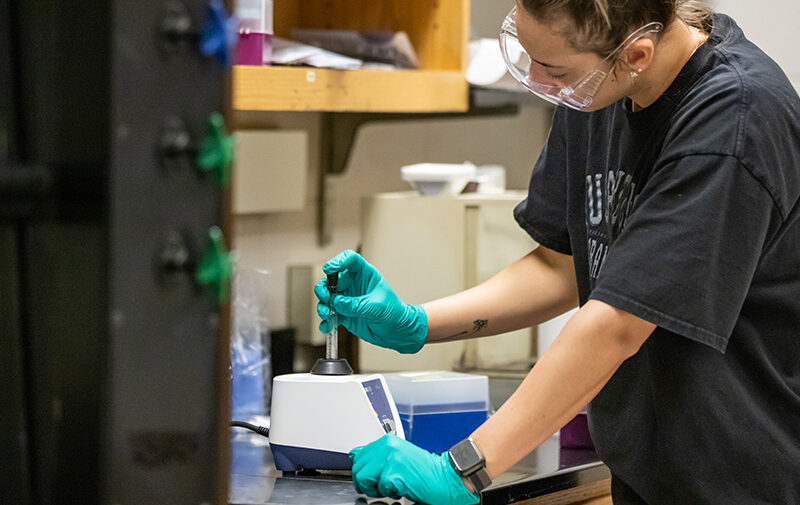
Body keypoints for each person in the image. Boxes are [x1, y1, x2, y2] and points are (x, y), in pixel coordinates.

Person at [315, 0, 800, 503]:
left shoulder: (734, 121)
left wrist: (464, 469)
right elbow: (563, 263)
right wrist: (418, 323)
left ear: (636, 54)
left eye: (554, 69)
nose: (540, 81)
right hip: (649, 471)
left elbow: (617, 324)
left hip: (742, 476)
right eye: (529, 54)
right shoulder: (599, 89)